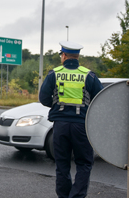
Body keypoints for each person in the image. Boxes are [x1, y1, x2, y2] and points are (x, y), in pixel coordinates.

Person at [39, 41, 103, 198]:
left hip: (60, 126)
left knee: (62, 164)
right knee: (84, 163)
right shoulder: (89, 75)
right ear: (78, 56)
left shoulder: (54, 74)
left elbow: (44, 98)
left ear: (64, 56)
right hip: (82, 126)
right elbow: (101, 100)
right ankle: (76, 196)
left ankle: (63, 195)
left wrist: (56, 105)